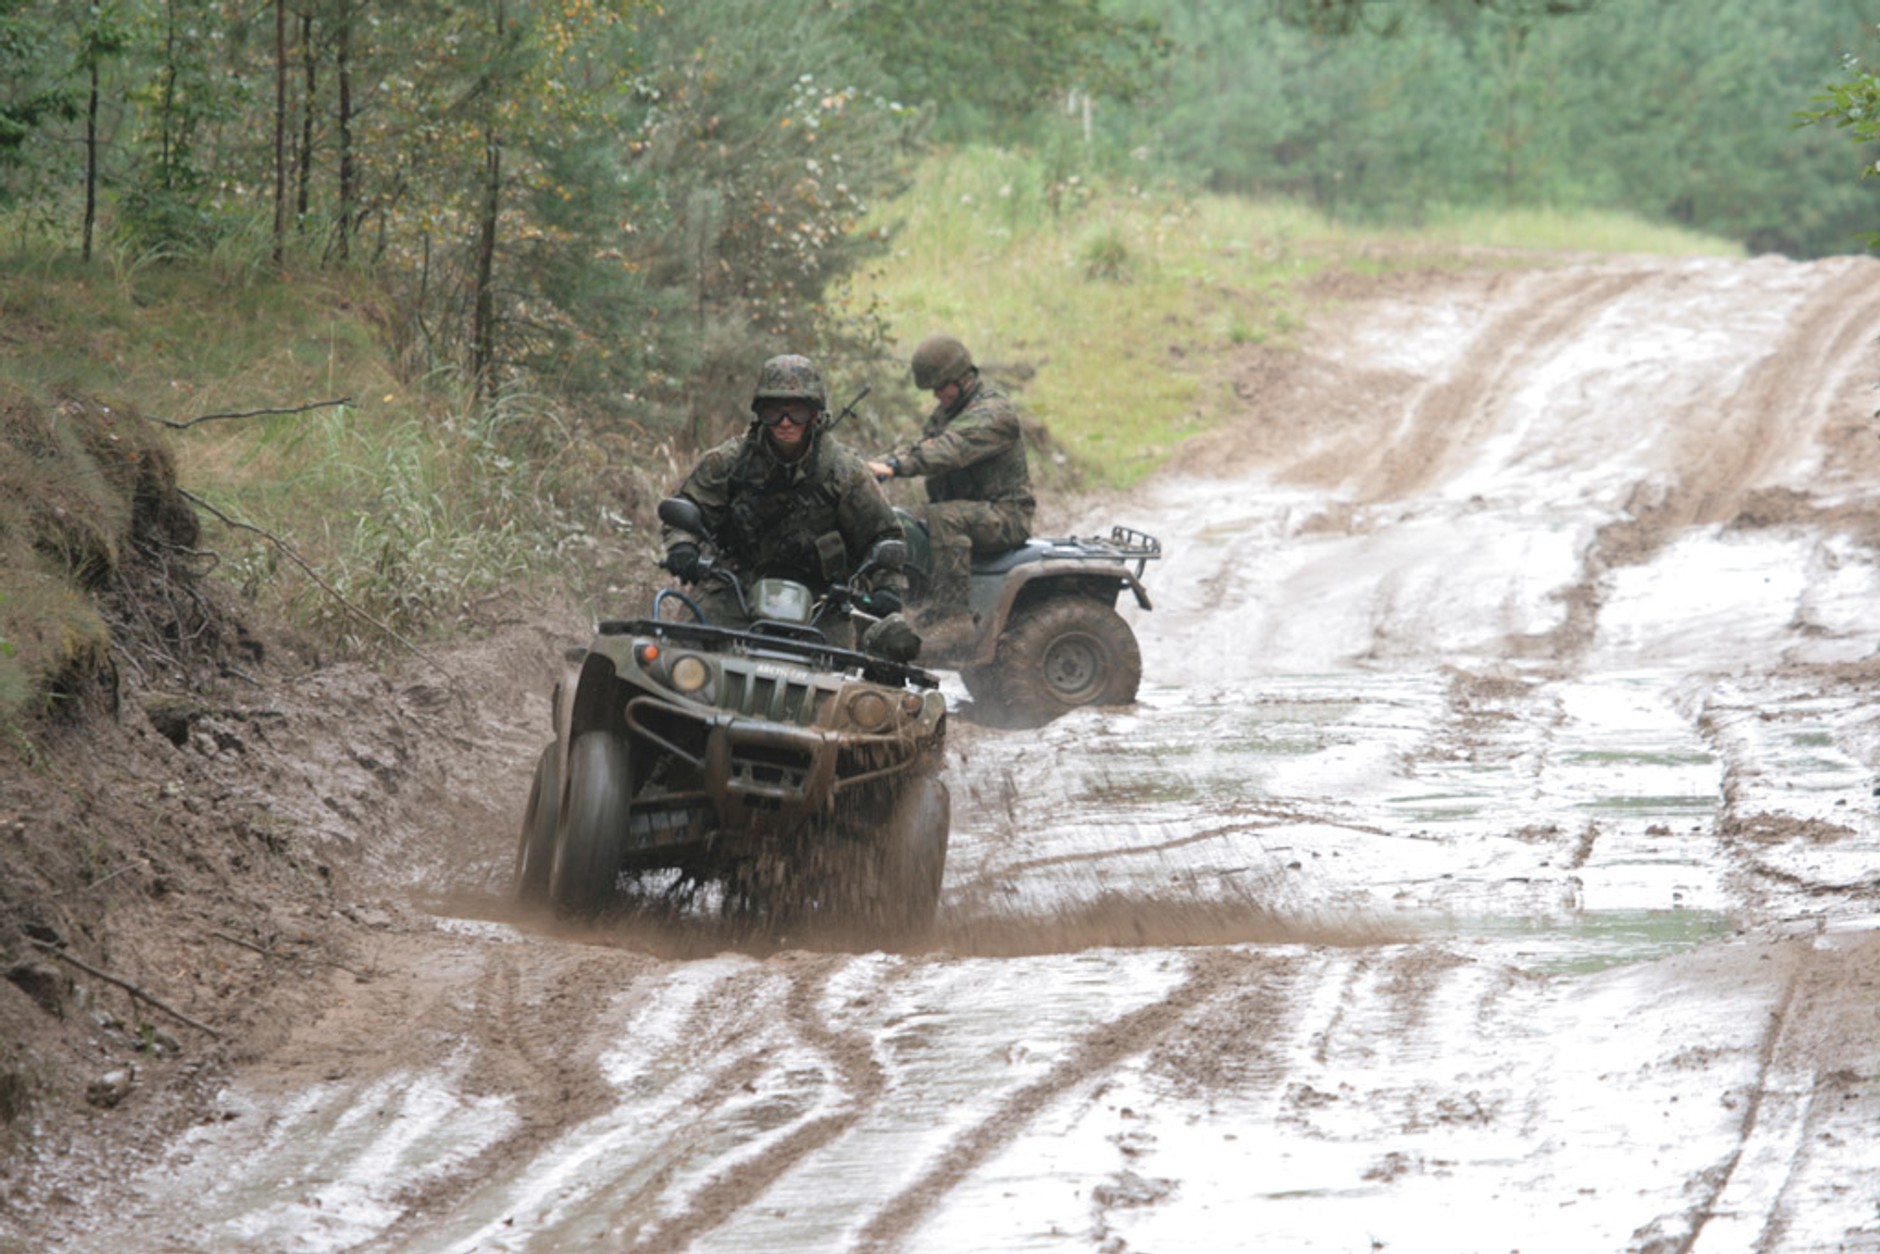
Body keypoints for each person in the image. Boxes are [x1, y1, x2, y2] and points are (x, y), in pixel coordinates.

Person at [662, 354, 911, 654]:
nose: (785, 422)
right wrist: (683, 549)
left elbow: (883, 537)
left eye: (797, 412)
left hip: (822, 601)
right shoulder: (727, 462)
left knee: (839, 678)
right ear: (759, 414)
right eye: (773, 411)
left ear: (815, 414)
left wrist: (886, 589)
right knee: (678, 655)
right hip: (734, 587)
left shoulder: (844, 471)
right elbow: (687, 509)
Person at [866, 333, 1035, 655]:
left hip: (1005, 515)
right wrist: (879, 466)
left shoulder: (993, 413)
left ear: (961, 377)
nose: (937, 395)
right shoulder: (949, 413)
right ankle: (917, 604)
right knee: (905, 526)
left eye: (940, 387)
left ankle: (954, 619)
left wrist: (896, 465)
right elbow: (923, 445)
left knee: (943, 517)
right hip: (973, 512)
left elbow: (949, 450)